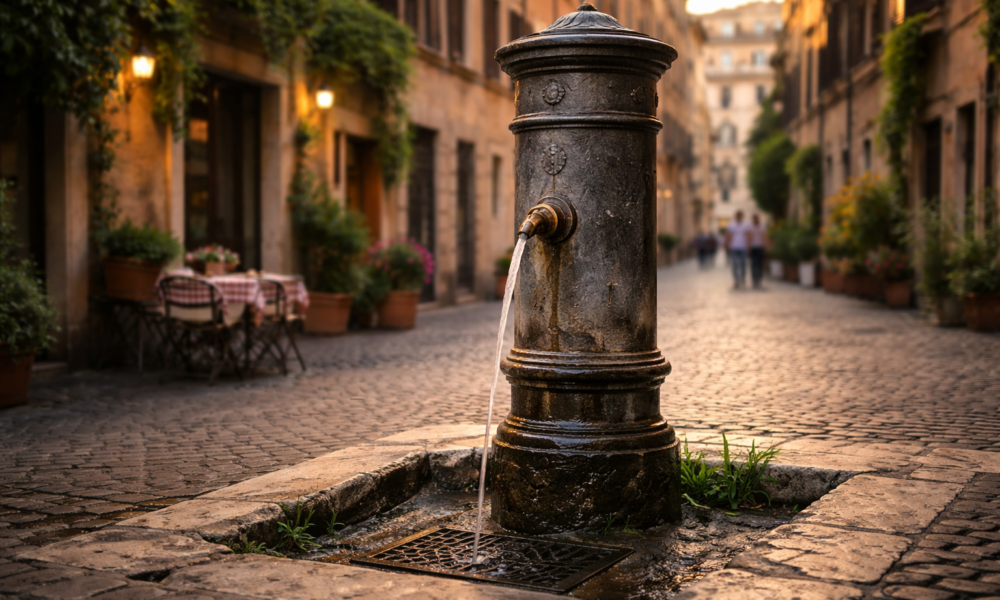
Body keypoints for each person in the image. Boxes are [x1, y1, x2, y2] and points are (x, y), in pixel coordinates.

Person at [725, 211, 750, 288]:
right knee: (735, 265)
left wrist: (748, 245)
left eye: (740, 216)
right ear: (736, 216)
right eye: (737, 216)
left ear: (742, 216)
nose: (738, 217)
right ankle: (736, 280)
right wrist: (728, 245)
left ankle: (742, 279)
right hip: (734, 247)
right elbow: (729, 235)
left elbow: (748, 235)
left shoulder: (746, 225)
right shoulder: (732, 225)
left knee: (743, 264)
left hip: (743, 246)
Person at [748, 214, 767, 288]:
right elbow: (749, 238)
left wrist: (766, 246)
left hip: (760, 247)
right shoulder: (750, 227)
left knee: (760, 265)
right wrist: (749, 247)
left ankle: (759, 280)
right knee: (753, 265)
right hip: (753, 248)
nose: (755, 220)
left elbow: (764, 236)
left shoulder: (762, 227)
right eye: (754, 218)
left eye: (756, 218)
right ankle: (754, 280)